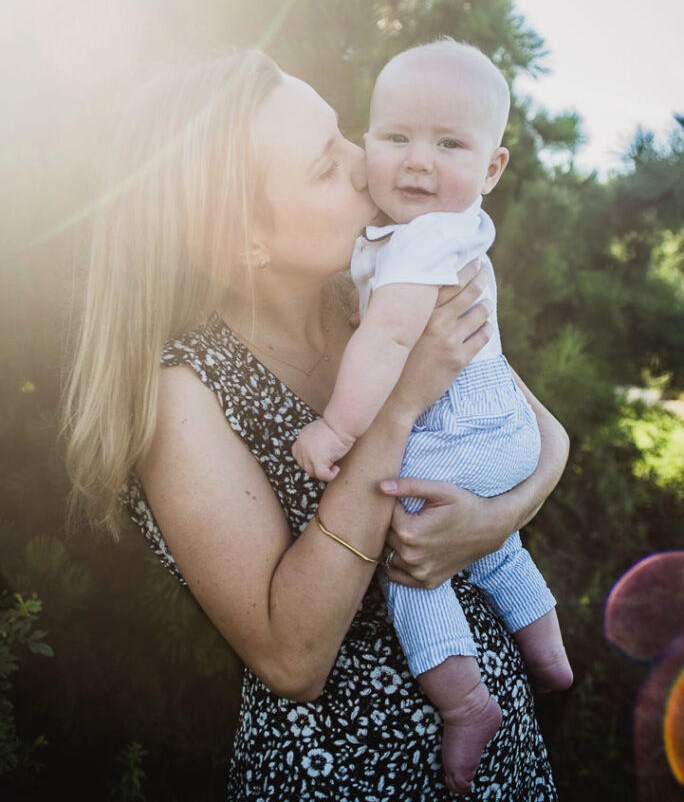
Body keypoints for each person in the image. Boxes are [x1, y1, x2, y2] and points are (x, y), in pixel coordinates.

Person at [63, 47, 569, 801]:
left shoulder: (379, 290)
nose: (365, 165)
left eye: (343, 137)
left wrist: (492, 522)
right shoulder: (186, 393)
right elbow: (291, 659)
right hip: (346, 777)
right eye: (324, 167)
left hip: (507, 764)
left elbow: (544, 436)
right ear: (246, 241)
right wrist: (397, 410)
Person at [292, 40, 573, 793]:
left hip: (463, 431)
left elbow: (388, 341)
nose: (417, 161)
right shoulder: (426, 231)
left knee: (410, 548)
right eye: (396, 137)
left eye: (448, 143)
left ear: (492, 169)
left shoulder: (426, 238)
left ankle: (468, 704)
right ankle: (550, 659)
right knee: (495, 549)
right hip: (495, 429)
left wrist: (336, 431)